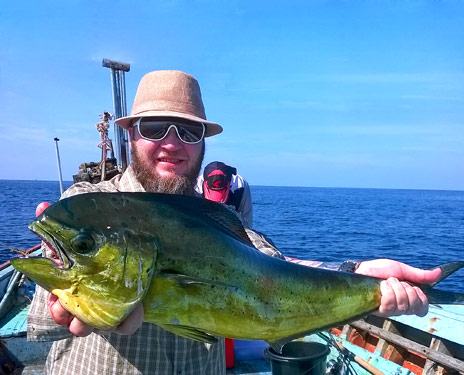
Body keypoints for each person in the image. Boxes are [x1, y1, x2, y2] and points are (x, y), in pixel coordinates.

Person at [28, 70, 441, 375]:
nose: (172, 143)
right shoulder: (85, 208)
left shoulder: (218, 218)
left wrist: (359, 274)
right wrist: (67, 307)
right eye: (155, 127)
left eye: (188, 131)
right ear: (132, 136)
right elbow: (42, 323)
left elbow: (273, 269)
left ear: (203, 144)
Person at [195, 161, 253, 227]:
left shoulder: (240, 186)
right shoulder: (196, 189)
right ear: (205, 183)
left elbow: (247, 220)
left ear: (229, 183)